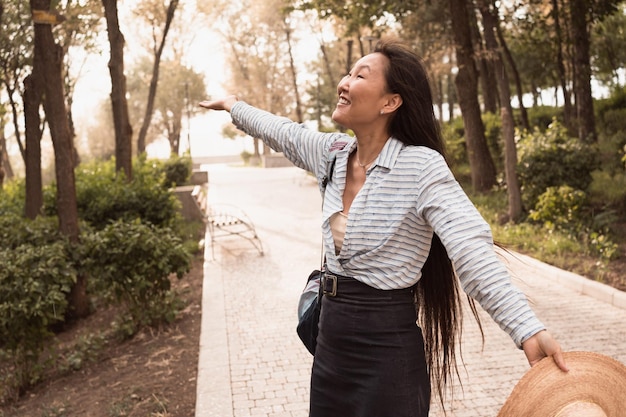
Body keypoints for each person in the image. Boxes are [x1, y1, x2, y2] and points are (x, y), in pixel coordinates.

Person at [199, 37, 568, 417]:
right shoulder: (334, 154)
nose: (344, 82)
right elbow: (281, 131)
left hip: (387, 351)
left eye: (360, 75)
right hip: (330, 346)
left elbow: (471, 250)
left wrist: (526, 328)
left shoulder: (421, 167)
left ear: (390, 102)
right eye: (347, 73)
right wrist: (233, 106)